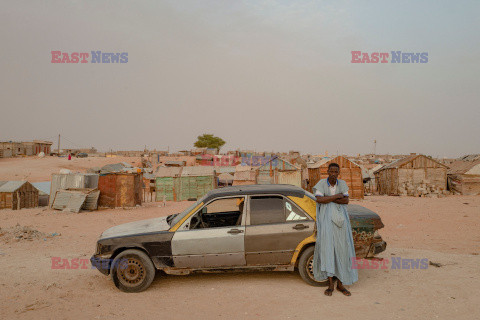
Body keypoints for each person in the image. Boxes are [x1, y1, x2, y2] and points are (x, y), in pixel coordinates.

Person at [312, 162, 358, 296]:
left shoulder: (342, 184)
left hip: (341, 223)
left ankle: (341, 284)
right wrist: (337, 196)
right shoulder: (321, 183)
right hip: (326, 222)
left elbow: (346, 201)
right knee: (328, 251)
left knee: (342, 251)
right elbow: (319, 200)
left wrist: (330, 199)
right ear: (327, 172)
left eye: (335, 172)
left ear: (338, 173)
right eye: (331, 172)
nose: (333, 174)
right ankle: (330, 284)